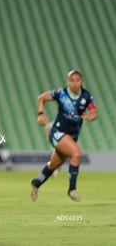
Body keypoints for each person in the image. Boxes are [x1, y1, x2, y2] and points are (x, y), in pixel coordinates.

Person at [31, 70, 97, 202]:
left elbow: (94, 112)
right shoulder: (61, 94)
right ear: (68, 82)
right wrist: (40, 114)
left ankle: (36, 183)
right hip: (57, 133)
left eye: (77, 80)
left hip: (72, 136)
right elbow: (41, 98)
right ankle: (72, 189)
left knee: (54, 164)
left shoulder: (86, 96)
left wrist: (90, 117)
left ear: (81, 82)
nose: (75, 83)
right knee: (76, 154)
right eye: (72, 80)